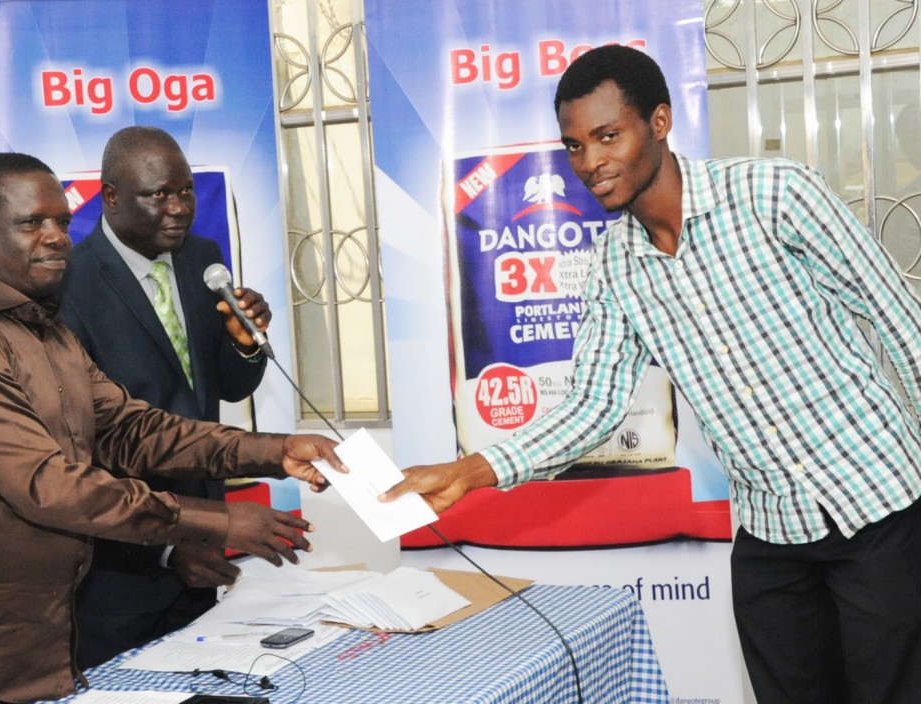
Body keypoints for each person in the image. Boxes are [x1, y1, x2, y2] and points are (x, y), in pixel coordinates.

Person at [382, 45, 921, 703]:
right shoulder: (614, 267)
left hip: (878, 510)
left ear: (659, 122)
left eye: (608, 136)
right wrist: (468, 473)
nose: (592, 163)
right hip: (772, 535)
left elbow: (902, 323)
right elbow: (593, 406)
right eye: (575, 146)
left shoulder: (776, 195)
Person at [0, 152, 342, 704]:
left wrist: (274, 451)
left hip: (50, 637)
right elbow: (49, 486)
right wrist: (215, 520)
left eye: (61, 221)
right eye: (32, 223)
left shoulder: (44, 330)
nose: (57, 237)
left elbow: (136, 430)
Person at [58, 126, 275, 669]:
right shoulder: (69, 285)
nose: (179, 208)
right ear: (109, 197)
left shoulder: (202, 257)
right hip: (121, 574)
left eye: (186, 190)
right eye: (159, 194)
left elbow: (225, 388)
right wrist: (167, 549)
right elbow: (78, 453)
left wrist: (245, 345)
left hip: (207, 538)